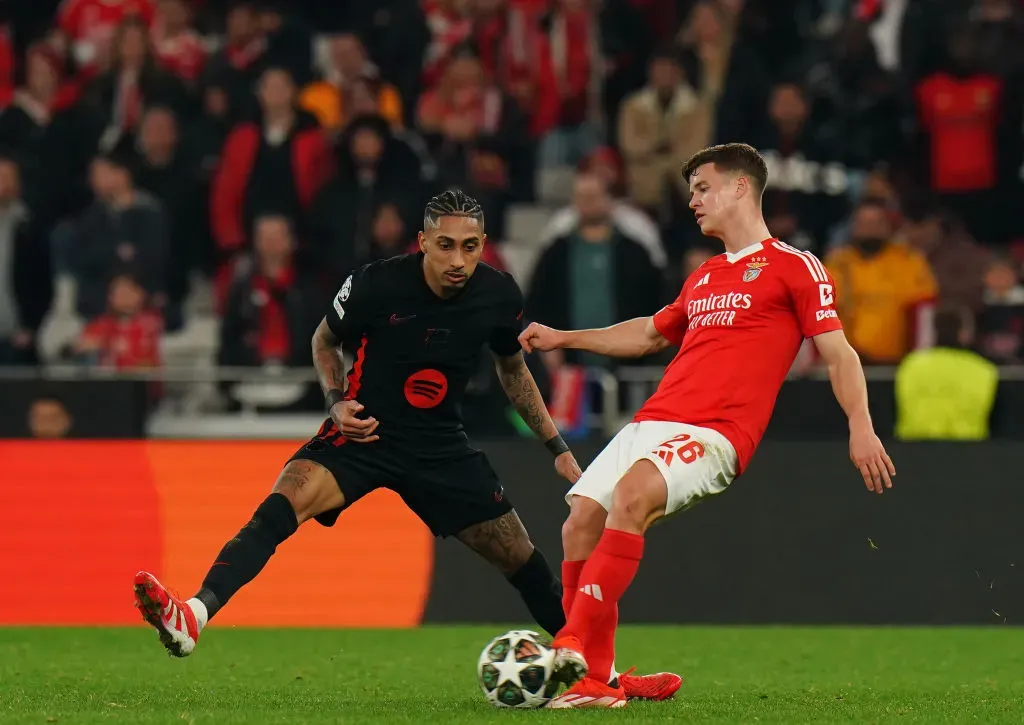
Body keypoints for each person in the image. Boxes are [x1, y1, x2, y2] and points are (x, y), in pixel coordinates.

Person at [130, 189, 675, 700]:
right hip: (364, 433)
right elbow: (324, 339)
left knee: (521, 558)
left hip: (441, 448)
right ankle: (193, 616)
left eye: (468, 246)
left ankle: (602, 677)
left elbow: (514, 370)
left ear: (482, 245)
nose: (457, 259)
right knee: (284, 500)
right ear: (422, 242)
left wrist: (554, 442)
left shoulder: (497, 294)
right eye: (444, 246)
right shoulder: (375, 283)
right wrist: (336, 401)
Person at [519, 143, 896, 709]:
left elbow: (840, 355)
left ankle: (571, 645)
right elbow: (648, 334)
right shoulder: (706, 275)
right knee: (579, 524)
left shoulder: (796, 266)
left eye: (702, 188)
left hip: (714, 432)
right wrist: (564, 337)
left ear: (740, 187)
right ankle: (601, 680)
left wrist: (860, 426)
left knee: (632, 496)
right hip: (653, 420)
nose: (692, 201)